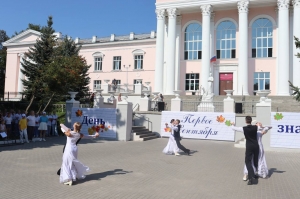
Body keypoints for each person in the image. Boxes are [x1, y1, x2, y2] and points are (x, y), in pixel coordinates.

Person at [231, 116, 259, 185]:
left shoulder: (243, 128)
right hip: (256, 146)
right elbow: (262, 127)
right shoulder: (256, 127)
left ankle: (251, 177)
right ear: (251, 121)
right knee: (255, 160)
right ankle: (255, 173)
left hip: (249, 146)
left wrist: (232, 124)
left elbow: (234, 128)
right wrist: (258, 124)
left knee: (248, 161)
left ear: (246, 121)